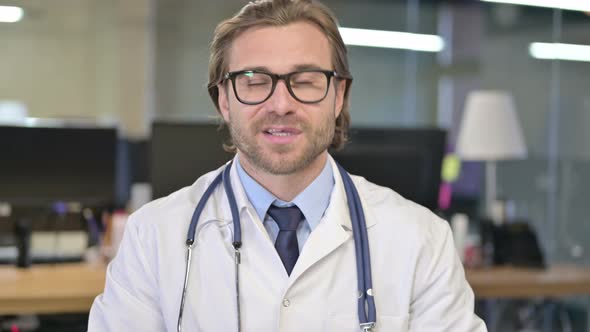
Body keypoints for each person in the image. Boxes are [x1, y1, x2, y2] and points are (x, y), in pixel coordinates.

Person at [88, 0, 487, 331]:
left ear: (338, 96)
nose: (280, 104)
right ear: (224, 100)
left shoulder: (421, 241)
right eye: (255, 80)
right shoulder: (153, 237)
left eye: (307, 79)